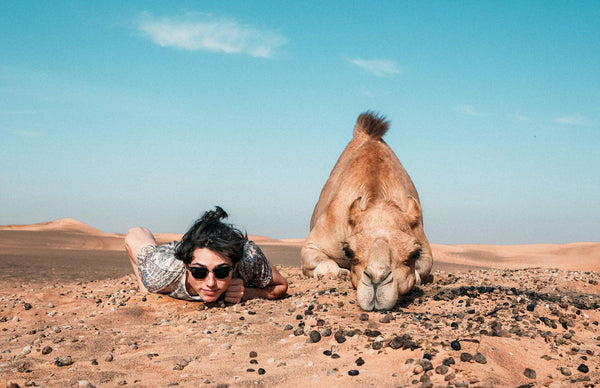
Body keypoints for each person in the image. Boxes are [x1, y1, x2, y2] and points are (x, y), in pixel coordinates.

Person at [124, 206, 288, 303]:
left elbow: (281, 286)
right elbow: (134, 236)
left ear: (235, 266)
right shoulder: (161, 270)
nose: (211, 283)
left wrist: (248, 293)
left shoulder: (249, 258)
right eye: (199, 272)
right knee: (149, 290)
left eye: (222, 272)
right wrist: (145, 288)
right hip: (168, 259)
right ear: (187, 267)